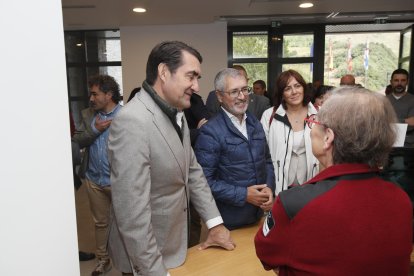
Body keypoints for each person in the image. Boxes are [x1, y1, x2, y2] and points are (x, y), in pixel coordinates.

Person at [107, 41, 235, 276]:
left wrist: (214, 223)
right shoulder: (132, 121)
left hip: (177, 245)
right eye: (191, 76)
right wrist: (153, 271)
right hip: (148, 258)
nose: (196, 86)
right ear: (164, 72)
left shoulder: (176, 111)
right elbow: (131, 213)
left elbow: (192, 171)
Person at [255, 87, 413, 275]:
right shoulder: (401, 199)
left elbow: (267, 255)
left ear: (328, 137)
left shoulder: (294, 203)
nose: (311, 125)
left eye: (314, 120)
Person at [195, 68, 275, 230]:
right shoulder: (210, 132)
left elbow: (267, 161)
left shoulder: (254, 122)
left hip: (258, 216)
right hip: (229, 222)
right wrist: (244, 194)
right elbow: (204, 182)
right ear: (219, 96)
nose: (242, 96)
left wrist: (269, 187)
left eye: (245, 90)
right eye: (234, 92)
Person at [72, 75, 122, 276]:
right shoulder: (87, 115)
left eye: (95, 94)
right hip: (93, 179)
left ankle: (130, 262)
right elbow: (77, 142)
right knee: (100, 223)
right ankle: (103, 260)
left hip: (118, 180)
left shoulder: (126, 115)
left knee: (126, 223)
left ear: (109, 95)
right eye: (91, 94)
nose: (91, 98)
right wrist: (94, 129)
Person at [261, 70, 319, 195]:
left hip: (312, 183)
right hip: (279, 184)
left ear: (304, 88)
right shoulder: (270, 115)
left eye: (297, 86)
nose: (294, 92)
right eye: (287, 88)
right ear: (282, 93)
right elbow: (262, 153)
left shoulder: (318, 116)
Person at [206, 65, 270, 120]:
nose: (241, 96)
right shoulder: (214, 97)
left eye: (242, 79)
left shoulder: (262, 103)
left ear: (247, 81)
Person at [386, 68, 414, 147]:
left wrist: (389, 121)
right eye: (396, 80)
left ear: (407, 82)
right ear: (391, 82)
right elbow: (380, 123)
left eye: (403, 80)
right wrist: (405, 121)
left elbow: (411, 125)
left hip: (408, 143)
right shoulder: (383, 101)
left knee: (400, 159)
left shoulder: (412, 100)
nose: (399, 83)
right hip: (386, 142)